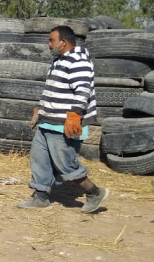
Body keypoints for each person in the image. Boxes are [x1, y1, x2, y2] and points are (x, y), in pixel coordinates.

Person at [18, 25, 109, 213]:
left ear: (63, 42)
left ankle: (93, 192)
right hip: (47, 122)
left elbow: (82, 90)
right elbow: (50, 89)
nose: (48, 44)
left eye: (51, 40)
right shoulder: (58, 60)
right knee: (39, 159)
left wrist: (75, 115)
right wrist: (39, 110)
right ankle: (41, 197)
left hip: (64, 124)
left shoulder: (78, 61)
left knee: (65, 164)